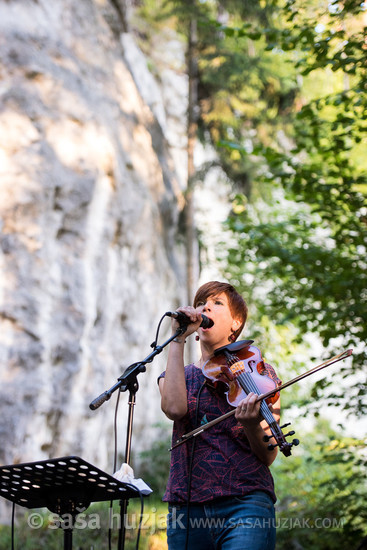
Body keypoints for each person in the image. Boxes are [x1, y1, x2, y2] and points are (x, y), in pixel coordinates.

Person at [158, 281, 281, 550]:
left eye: (217, 303)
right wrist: (178, 338)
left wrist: (251, 425)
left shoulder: (259, 375)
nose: (206, 307)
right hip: (187, 509)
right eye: (202, 303)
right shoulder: (178, 375)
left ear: (236, 323)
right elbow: (175, 409)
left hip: (245, 502)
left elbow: (269, 454)